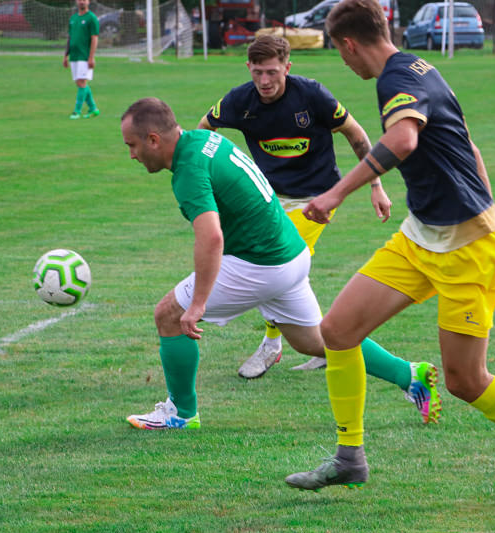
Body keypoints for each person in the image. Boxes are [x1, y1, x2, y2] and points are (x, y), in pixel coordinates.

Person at [283, 0, 495, 501]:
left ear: (348, 43)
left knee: (465, 381)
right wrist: (493, 206)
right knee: (337, 331)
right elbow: (467, 146)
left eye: (342, 55)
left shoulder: (396, 79)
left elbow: (403, 140)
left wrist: (338, 192)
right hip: (420, 236)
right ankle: (349, 458)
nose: (346, 65)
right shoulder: (419, 68)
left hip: (468, 249)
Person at [121, 98, 439, 430]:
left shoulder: (188, 170)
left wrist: (197, 303)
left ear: (153, 139)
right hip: (289, 252)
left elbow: (211, 237)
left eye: (133, 145)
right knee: (316, 341)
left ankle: (181, 414)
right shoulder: (204, 140)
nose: (132, 154)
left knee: (168, 315)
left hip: (260, 264)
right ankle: (409, 375)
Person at [196, 35, 388, 378]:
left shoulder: (312, 95)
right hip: (267, 200)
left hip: (316, 200)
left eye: (272, 72)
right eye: (257, 73)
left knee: (272, 265)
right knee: (286, 274)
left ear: (288, 66)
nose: (264, 81)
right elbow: (204, 133)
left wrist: (376, 185)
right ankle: (324, 340)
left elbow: (356, 134)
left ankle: (272, 345)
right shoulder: (240, 100)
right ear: (248, 69)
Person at [63, 0, 100, 120]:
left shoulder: (92, 18)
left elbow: (94, 38)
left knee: (82, 82)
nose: (81, 2)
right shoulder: (73, 18)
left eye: (84, 0)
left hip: (84, 56)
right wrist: (66, 55)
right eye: (79, 0)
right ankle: (93, 109)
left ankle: (76, 111)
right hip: (74, 55)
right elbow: (70, 38)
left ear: (88, 2)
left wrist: (91, 57)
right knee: (79, 83)